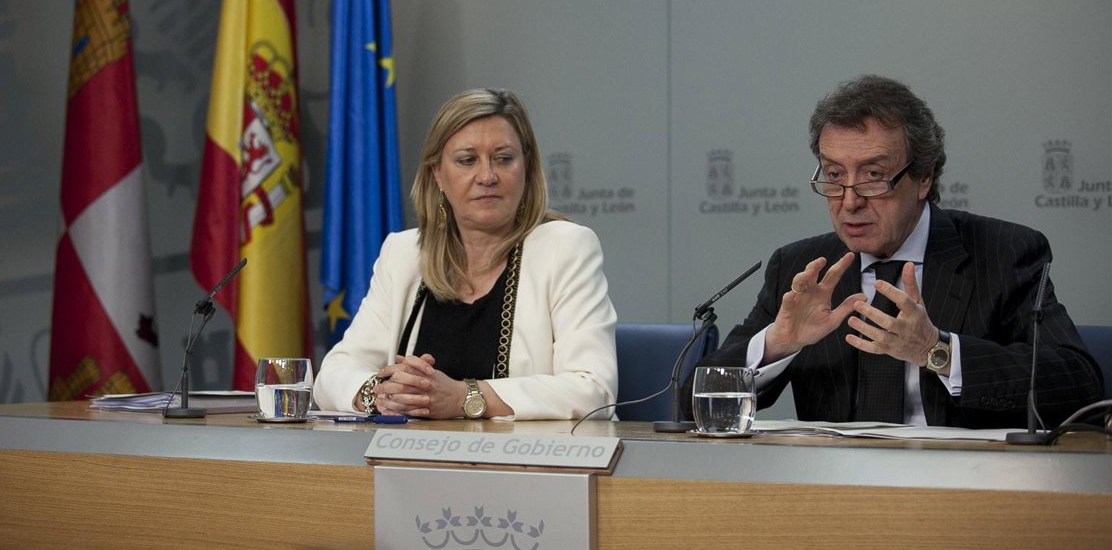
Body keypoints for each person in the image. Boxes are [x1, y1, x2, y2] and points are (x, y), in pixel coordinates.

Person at [693, 75, 1101, 428]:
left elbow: (1078, 385)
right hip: (834, 484)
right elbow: (688, 403)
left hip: (961, 480)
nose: (849, 201)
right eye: (834, 175)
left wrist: (936, 351)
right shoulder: (801, 268)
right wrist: (776, 343)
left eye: (873, 175)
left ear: (923, 177)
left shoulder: (1004, 253)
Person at [313, 88, 618, 420]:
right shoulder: (404, 254)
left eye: (503, 158)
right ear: (438, 174)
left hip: (529, 452)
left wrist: (464, 398)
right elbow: (334, 374)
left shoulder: (565, 247)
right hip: (413, 451)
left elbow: (593, 389)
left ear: (527, 168)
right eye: (467, 160)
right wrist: (381, 394)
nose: (487, 176)